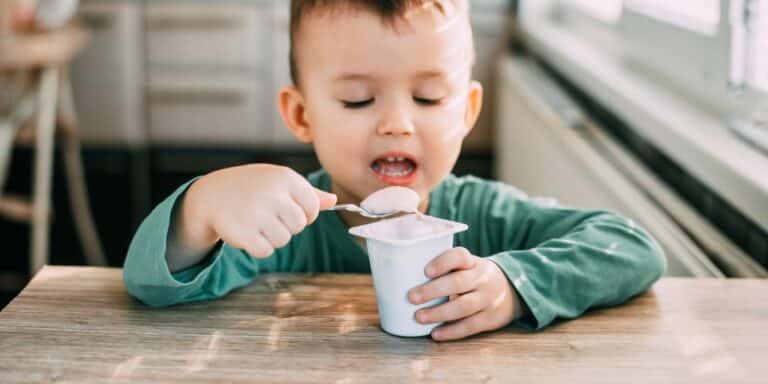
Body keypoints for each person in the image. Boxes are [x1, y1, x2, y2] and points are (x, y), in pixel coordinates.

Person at [123, 0, 666, 341]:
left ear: (467, 113)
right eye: (359, 100)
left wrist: (513, 285)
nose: (397, 124)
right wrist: (203, 210)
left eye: (428, 98)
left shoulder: (488, 215)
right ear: (301, 114)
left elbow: (632, 247)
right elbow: (148, 286)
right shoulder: (285, 227)